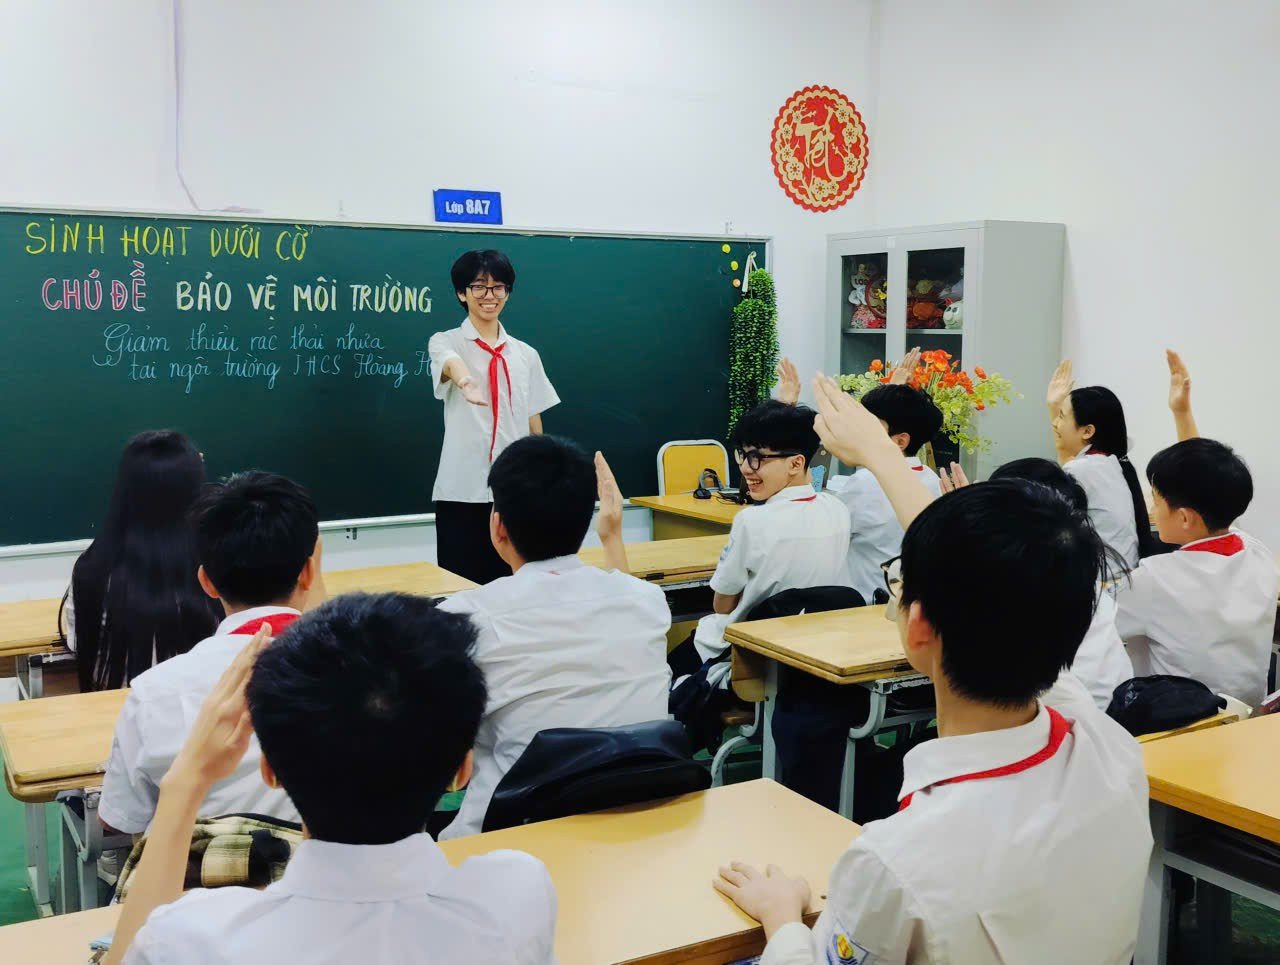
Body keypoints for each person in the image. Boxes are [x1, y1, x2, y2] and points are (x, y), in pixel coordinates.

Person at [711, 375, 1151, 964]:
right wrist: (876, 451)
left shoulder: (896, 860)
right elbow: (984, 577)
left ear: (917, 626)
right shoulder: (1109, 751)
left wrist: (783, 918)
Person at [104, 593, 557, 965]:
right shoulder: (516, 898)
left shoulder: (193, 940)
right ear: (462, 769)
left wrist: (186, 780)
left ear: (270, 771)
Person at [436, 437, 671, 838]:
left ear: (497, 526)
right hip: (638, 825)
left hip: (513, 834)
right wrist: (612, 536)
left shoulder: (465, 619)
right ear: (585, 522)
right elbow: (623, 590)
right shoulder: (648, 601)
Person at [99, 471, 325, 834]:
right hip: (333, 880)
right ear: (309, 572)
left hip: (195, 883)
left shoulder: (155, 692)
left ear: (205, 581)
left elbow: (118, 820)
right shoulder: (364, 673)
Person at [666, 400, 852, 743]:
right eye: (743, 455)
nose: (746, 468)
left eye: (758, 458)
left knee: (666, 671)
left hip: (750, 662)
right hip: (812, 658)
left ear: (796, 463)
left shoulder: (752, 520)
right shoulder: (838, 509)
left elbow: (722, 605)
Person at [1114, 352, 1276, 708]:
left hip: (1180, 727)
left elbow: (1087, 618)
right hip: (1245, 719)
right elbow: (1206, 483)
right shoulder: (1256, 552)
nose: (1152, 509)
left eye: (1156, 500)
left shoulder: (1155, 579)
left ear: (1185, 518)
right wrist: (1181, 413)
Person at [944, 457, 1135, 712]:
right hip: (1108, 720)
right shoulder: (1080, 577)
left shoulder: (1020, 590)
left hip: (1062, 724)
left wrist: (961, 525)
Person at [428, 249, 560, 585]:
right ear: (462, 293)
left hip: (514, 490)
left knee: (515, 582)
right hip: (463, 490)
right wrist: (467, 381)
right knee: (461, 586)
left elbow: (533, 422)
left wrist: (541, 475)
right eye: (480, 287)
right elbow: (449, 362)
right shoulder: (446, 341)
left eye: (499, 287)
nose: (490, 296)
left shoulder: (525, 354)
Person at [60, 430, 224, 692]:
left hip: (113, 715)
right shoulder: (215, 565)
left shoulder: (93, 568)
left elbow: (77, 643)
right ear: (193, 492)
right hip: (200, 716)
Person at [1046, 360, 1151, 567]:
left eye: (1061, 416)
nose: (1055, 423)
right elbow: (1065, 457)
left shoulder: (1082, 469)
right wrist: (1053, 406)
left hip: (1100, 585)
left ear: (1087, 431)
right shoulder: (1108, 464)